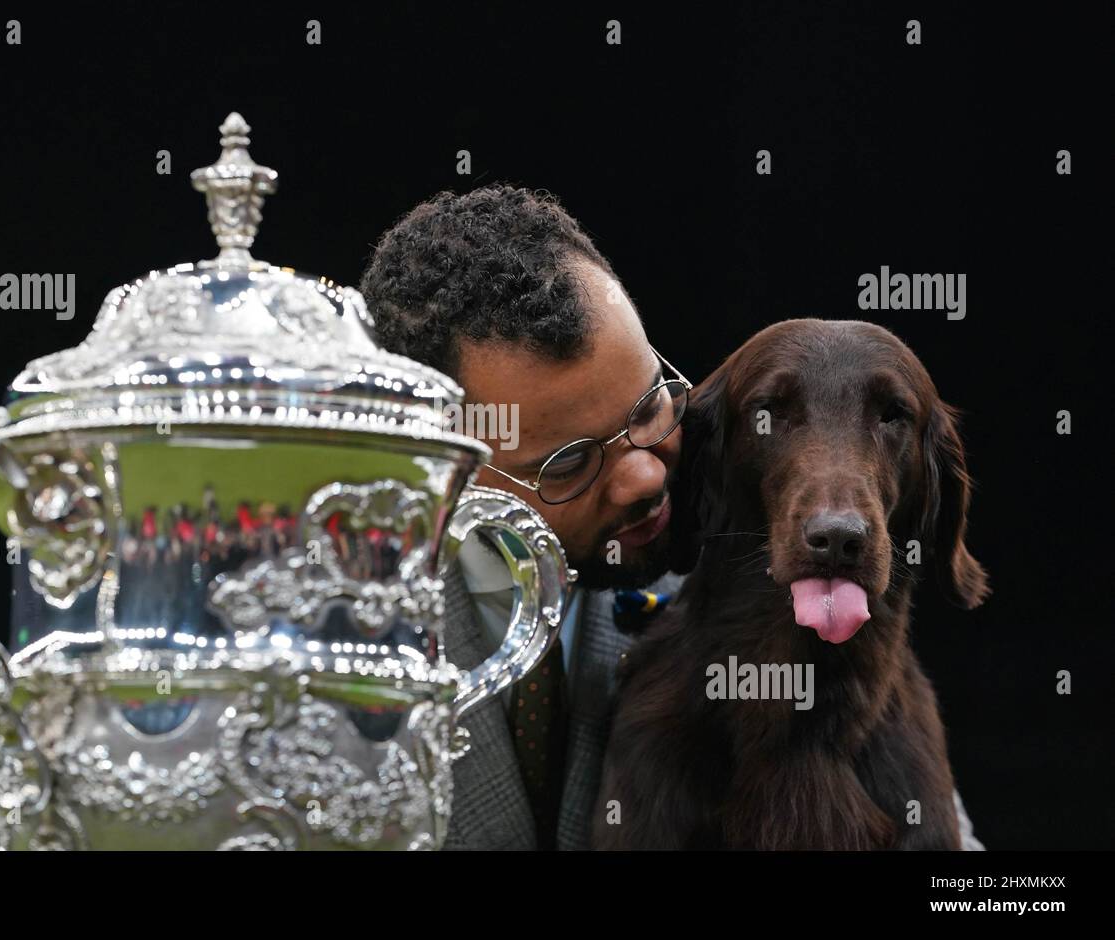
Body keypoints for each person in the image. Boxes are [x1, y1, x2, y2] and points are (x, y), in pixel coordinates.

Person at [358, 184, 983, 851]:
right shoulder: (333, 638)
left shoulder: (755, 575)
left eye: (648, 408)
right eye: (568, 464)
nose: (647, 476)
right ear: (437, 462)